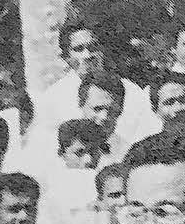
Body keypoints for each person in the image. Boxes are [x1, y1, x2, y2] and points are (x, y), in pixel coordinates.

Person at [36, 21, 153, 149]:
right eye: (78, 49)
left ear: (102, 50)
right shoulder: (53, 98)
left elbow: (145, 135)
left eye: (93, 48)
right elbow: (49, 146)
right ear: (66, 57)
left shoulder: (132, 91)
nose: (87, 55)